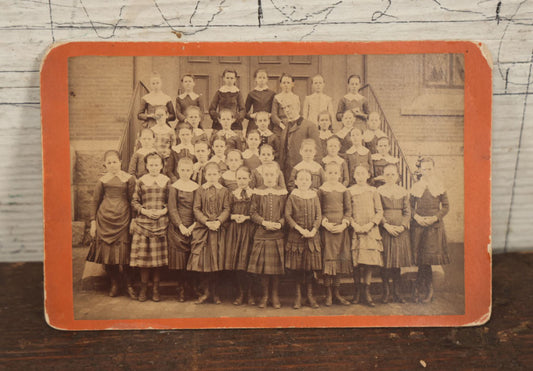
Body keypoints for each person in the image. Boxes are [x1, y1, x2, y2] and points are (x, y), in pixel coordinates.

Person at [87, 150, 136, 299]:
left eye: (115, 162)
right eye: (109, 162)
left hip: (123, 218)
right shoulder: (102, 180)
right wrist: (93, 223)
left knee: (125, 254)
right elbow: (95, 201)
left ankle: (129, 284)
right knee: (108, 254)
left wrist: (133, 219)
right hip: (105, 219)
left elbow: (133, 201)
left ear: (120, 162)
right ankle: (115, 282)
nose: (112, 165)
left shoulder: (129, 179)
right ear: (105, 165)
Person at [187, 162, 231, 304]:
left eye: (214, 174)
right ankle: (205, 292)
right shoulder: (200, 190)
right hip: (203, 229)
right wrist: (206, 222)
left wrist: (218, 221)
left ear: (219, 175)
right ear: (205, 175)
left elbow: (227, 209)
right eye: (209, 174)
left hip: (219, 229)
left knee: (217, 261)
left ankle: (216, 293)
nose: (212, 177)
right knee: (203, 261)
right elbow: (196, 209)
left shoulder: (224, 191)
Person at [130, 152, 170, 302]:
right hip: (143, 224)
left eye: (157, 165)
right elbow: (134, 201)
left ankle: (156, 289)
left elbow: (170, 201)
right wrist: (144, 211)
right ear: (146, 166)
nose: (154, 167)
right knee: (144, 259)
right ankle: (143, 288)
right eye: (151, 165)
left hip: (160, 223)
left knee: (157, 261)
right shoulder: (141, 181)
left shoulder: (166, 181)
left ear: (161, 166)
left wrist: (163, 211)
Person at [410, 157, 450, 304]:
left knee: (427, 260)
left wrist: (435, 218)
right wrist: (416, 217)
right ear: (420, 170)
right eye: (424, 169)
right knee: (421, 259)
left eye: (429, 169)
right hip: (419, 225)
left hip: (433, 226)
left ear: (433, 169)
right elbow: (409, 207)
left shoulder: (439, 185)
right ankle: (422, 288)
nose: (426, 172)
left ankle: (426, 289)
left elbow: (446, 207)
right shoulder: (416, 186)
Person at [248, 163, 288, 309]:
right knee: (264, 269)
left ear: (277, 176)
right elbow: (252, 213)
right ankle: (265, 295)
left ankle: (275, 295)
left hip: (277, 234)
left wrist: (280, 223)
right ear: (262, 176)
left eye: (272, 175)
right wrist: (264, 222)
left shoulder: (282, 192)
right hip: (262, 234)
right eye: (267, 175)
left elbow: (286, 213)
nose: (270, 177)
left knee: (276, 269)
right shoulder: (258, 192)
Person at [285, 169, 322, 309]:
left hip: (312, 237)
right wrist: (300, 229)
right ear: (296, 182)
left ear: (311, 182)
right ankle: (298, 296)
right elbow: (288, 216)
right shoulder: (292, 196)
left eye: (307, 179)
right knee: (297, 269)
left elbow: (319, 215)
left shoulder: (314, 195)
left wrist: (313, 230)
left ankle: (310, 296)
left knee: (310, 268)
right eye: (301, 179)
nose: (304, 182)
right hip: (296, 236)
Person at [349, 165, 384, 307]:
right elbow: (348, 211)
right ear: (354, 176)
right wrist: (355, 225)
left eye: (363, 173)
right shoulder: (349, 191)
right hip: (356, 229)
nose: (360, 176)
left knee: (368, 261)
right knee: (356, 262)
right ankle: (357, 291)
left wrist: (371, 225)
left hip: (370, 229)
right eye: (357, 173)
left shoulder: (373, 191)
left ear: (368, 175)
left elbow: (379, 211)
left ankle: (366, 291)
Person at [318, 162, 352, 306]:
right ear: (325, 174)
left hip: (341, 230)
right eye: (330, 173)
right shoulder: (321, 190)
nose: (332, 175)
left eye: (335, 173)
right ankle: (328, 294)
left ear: (339, 175)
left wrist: (344, 224)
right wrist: (324, 223)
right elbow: (317, 210)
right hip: (327, 229)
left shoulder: (344, 190)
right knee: (329, 260)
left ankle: (337, 293)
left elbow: (348, 211)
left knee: (338, 260)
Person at [378, 164, 413, 304]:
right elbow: (377, 210)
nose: (390, 177)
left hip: (400, 231)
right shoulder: (379, 191)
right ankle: (386, 293)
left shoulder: (403, 192)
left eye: (393, 174)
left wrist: (403, 226)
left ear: (397, 176)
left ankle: (397, 292)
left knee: (397, 263)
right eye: (387, 174)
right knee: (385, 262)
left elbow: (407, 212)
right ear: (383, 176)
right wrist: (385, 225)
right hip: (385, 229)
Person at [167, 157, 199, 302]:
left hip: (193, 227)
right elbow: (172, 208)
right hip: (177, 228)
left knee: (191, 261)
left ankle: (191, 287)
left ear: (192, 171)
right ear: (178, 170)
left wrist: (192, 227)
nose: (185, 173)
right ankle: (181, 289)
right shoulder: (174, 187)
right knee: (180, 262)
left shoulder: (196, 187)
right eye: (182, 170)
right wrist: (180, 226)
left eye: (188, 170)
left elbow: (198, 209)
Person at [223, 166, 255, 305]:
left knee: (248, 262)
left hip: (249, 230)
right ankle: (240, 293)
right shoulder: (232, 194)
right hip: (235, 231)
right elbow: (226, 212)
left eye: (244, 178)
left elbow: (256, 213)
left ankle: (251, 294)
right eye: (239, 178)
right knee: (238, 263)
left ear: (250, 179)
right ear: (235, 179)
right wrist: (234, 216)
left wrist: (247, 218)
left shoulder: (254, 194)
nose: (242, 181)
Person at [279, 99, 321, 182]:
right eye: (284, 108)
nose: (286, 110)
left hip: (304, 174)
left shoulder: (309, 126)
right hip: (287, 173)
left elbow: (317, 152)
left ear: (298, 107)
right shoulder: (285, 127)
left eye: (289, 106)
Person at [244, 69, 276, 134]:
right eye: (259, 77)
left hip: (267, 123)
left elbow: (275, 110)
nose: (262, 80)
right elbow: (244, 111)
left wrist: (271, 115)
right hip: (255, 123)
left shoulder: (272, 94)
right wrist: (251, 116)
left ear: (267, 79)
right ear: (255, 79)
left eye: (264, 78)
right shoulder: (251, 94)